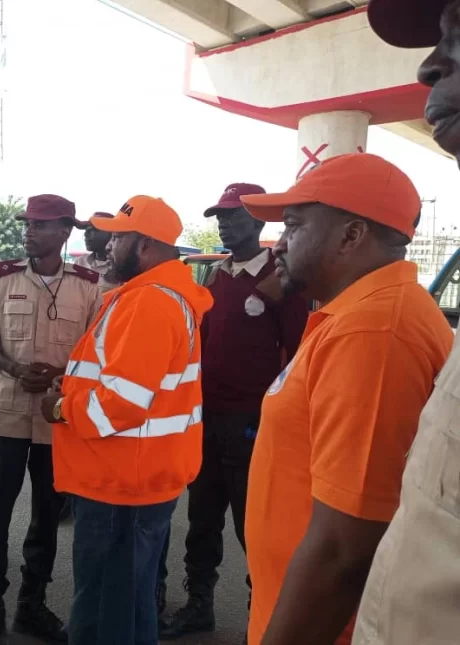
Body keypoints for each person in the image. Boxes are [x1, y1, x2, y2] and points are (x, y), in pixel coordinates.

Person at [235, 154, 453, 645]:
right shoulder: (358, 317)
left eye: (294, 226)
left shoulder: (373, 332)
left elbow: (343, 550)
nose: (279, 243)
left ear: (351, 235)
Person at [41, 196, 213, 645]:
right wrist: (72, 385)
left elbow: (119, 405)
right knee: (128, 607)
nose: (108, 245)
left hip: (120, 484)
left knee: (103, 614)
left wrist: (59, 408)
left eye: (118, 237)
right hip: (134, 478)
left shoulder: (149, 303)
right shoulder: (155, 297)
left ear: (146, 246)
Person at [352, 3, 460, 643]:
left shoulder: (380, 327)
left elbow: (345, 533)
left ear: (351, 235)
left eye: (458, 33)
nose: (428, 66)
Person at [159, 184, 308, 640]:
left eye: (233, 216)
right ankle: (198, 605)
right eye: (220, 217)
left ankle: (259, 617)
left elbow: (299, 353)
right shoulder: (217, 277)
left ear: (258, 222)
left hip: (251, 423)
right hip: (207, 417)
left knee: (254, 527)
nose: (224, 224)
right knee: (202, 519)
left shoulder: (280, 278)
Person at [0, 194, 103, 645]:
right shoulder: (2, 278)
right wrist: (14, 367)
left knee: (47, 515)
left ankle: (31, 605)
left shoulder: (88, 286)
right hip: (6, 414)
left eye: (40, 225)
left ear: (64, 231)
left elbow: (96, 353)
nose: (29, 231)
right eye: (28, 224)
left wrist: (60, 372)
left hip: (56, 417)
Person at [75, 212, 119, 293]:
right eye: (86, 230)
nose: (86, 234)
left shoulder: (121, 267)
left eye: (93, 230)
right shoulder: (80, 262)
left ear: (111, 233)